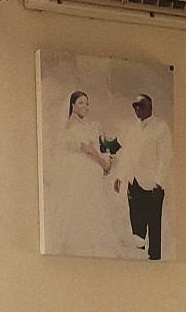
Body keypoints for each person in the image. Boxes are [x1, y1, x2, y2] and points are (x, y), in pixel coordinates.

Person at [50, 91, 132, 258]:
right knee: (87, 204)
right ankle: (86, 244)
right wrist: (104, 164)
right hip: (81, 170)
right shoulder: (75, 125)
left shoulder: (75, 123)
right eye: (81, 103)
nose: (85, 107)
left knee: (84, 204)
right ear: (72, 105)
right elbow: (88, 149)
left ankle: (81, 243)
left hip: (78, 168)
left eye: (87, 103)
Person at [112, 93, 172, 260]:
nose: (137, 109)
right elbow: (128, 155)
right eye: (135, 106)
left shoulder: (161, 127)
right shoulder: (133, 128)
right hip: (134, 183)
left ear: (150, 108)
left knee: (154, 225)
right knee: (136, 226)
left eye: (141, 106)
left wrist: (159, 183)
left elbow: (166, 156)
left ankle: (155, 260)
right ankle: (139, 260)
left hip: (153, 186)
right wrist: (120, 176)